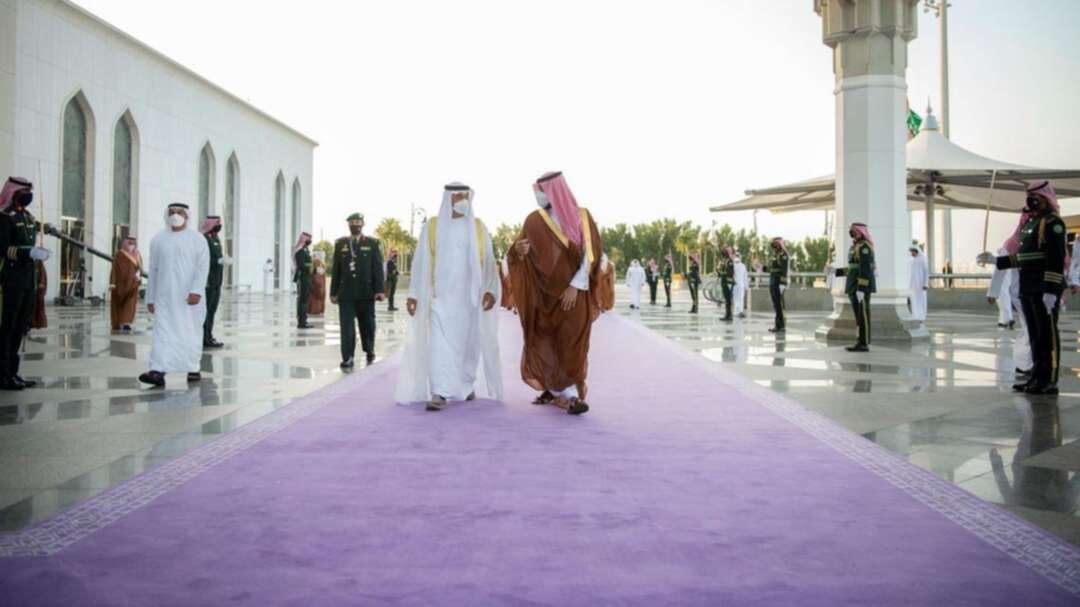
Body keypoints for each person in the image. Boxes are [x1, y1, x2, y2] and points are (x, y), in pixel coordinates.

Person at [396, 182, 501, 411]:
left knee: (468, 346)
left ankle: (464, 384)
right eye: (458, 195)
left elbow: (490, 263)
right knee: (440, 346)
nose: (463, 199)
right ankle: (440, 392)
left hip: (470, 300)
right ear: (448, 198)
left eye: (466, 195)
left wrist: (491, 290)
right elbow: (420, 263)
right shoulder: (433, 227)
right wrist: (414, 293)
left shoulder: (478, 228)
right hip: (440, 299)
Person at [508, 171, 602, 415]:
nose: (537, 197)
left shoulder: (582, 216)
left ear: (553, 190)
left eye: (539, 191)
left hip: (574, 295)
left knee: (572, 342)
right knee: (547, 342)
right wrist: (517, 250)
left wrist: (575, 286)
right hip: (545, 297)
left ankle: (571, 394)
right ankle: (555, 388)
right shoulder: (533, 221)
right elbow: (517, 256)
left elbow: (589, 256)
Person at [980, 181, 1066, 395]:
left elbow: (1055, 259)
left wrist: (1050, 290)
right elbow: (1023, 258)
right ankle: (1036, 377)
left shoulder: (1053, 223)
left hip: (1043, 287)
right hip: (1028, 287)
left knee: (1047, 336)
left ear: (1046, 198)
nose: (1031, 201)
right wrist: (995, 261)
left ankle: (1050, 380)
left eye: (1035, 196)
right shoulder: (1031, 224)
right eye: (1030, 196)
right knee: (1036, 336)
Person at [138, 203, 210, 387]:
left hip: (188, 299)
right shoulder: (158, 239)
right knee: (162, 333)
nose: (175, 215)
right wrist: (151, 298)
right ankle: (157, 370)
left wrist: (196, 290)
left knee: (189, 331)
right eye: (171, 212)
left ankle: (192, 367)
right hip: (164, 298)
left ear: (187, 216)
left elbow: (202, 267)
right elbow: (153, 271)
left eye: (179, 212)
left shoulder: (197, 239)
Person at [0, 177, 50, 390]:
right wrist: (26, 252)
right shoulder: (5, 217)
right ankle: (2, 375)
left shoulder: (28, 218)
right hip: (10, 281)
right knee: (7, 328)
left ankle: (14, 372)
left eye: (30, 191)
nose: (28, 195)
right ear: (14, 193)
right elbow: (3, 249)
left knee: (21, 328)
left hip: (28, 281)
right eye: (24, 191)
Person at [331, 213, 385, 368]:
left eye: (358, 222)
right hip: (346, 292)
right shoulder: (341, 244)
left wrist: (379, 290)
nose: (355, 224)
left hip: (366, 292)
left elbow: (377, 269)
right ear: (348, 224)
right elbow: (336, 269)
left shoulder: (372, 243)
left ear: (363, 224)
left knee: (367, 325)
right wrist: (333, 292)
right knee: (346, 327)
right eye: (352, 222)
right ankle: (348, 357)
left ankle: (369, 350)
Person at [987, 244, 1029, 375]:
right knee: (1029, 329)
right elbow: (1000, 270)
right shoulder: (1010, 247)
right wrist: (993, 293)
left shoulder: (1026, 245)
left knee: (1032, 330)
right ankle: (1026, 365)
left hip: (1031, 291)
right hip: (1020, 294)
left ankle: (1028, 365)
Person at [839, 223, 875, 352]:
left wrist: (861, 288)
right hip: (853, 284)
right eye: (851, 230)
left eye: (854, 230)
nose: (852, 232)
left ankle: (864, 343)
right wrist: (834, 272)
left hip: (861, 286)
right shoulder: (855, 246)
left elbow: (865, 269)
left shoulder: (865, 247)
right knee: (858, 315)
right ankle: (860, 340)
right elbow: (851, 268)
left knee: (863, 314)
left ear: (861, 231)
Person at [200, 216, 226, 348]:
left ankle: (209, 335)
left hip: (217, 281)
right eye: (217, 223)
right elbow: (202, 259)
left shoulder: (215, 238)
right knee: (206, 310)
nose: (219, 225)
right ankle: (203, 337)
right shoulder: (204, 238)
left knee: (212, 310)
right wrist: (217, 261)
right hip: (208, 281)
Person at [110, 236, 143, 331]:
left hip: (133, 284)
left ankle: (127, 322)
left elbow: (140, 268)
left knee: (130, 304)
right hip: (120, 285)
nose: (131, 245)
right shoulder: (119, 254)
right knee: (119, 304)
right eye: (129, 243)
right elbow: (114, 270)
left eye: (133, 243)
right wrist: (112, 283)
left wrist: (138, 276)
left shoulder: (137, 254)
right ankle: (119, 322)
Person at [293, 231, 314, 329]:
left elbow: (308, 264)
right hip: (302, 278)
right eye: (308, 239)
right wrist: (312, 265)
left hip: (307, 277)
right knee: (302, 301)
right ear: (304, 240)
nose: (310, 241)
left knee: (304, 300)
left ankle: (304, 320)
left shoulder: (305, 250)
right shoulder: (300, 251)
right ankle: (301, 322)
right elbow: (301, 265)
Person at [768, 237, 789, 333]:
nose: (774, 245)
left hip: (778, 281)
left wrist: (782, 283)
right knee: (775, 304)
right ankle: (778, 324)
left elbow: (784, 270)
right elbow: (771, 268)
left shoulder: (783, 255)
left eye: (776, 243)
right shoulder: (775, 254)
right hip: (772, 281)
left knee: (778, 304)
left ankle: (780, 325)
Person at [908, 244, 929, 322]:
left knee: (921, 301)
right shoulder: (911, 260)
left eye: (912, 252)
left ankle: (921, 317)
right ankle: (915, 316)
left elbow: (926, 273)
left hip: (921, 285)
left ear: (916, 252)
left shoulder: (923, 259)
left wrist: (925, 284)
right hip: (912, 285)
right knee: (913, 301)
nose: (911, 253)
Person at [717, 246, 735, 322]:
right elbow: (722, 272)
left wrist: (729, 283)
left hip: (728, 282)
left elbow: (730, 273)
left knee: (728, 299)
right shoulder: (724, 261)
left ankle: (729, 315)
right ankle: (727, 314)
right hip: (724, 281)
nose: (724, 252)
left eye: (725, 251)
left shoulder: (730, 261)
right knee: (726, 299)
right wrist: (718, 270)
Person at [308, 250, 327, 316]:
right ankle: (318, 310)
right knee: (318, 299)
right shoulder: (321, 266)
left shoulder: (317, 267)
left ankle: (314, 310)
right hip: (319, 286)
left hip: (317, 286)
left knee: (315, 299)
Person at [31, 259, 47, 330]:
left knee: (36, 308)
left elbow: (43, 277)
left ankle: (34, 323)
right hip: (31, 289)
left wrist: (41, 284)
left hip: (36, 290)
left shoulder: (39, 262)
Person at [733, 253, 748, 319]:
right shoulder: (743, 266)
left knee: (736, 298)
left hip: (735, 284)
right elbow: (745, 277)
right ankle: (740, 311)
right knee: (740, 298)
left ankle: (736, 312)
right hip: (741, 285)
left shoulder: (733, 265)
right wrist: (746, 286)